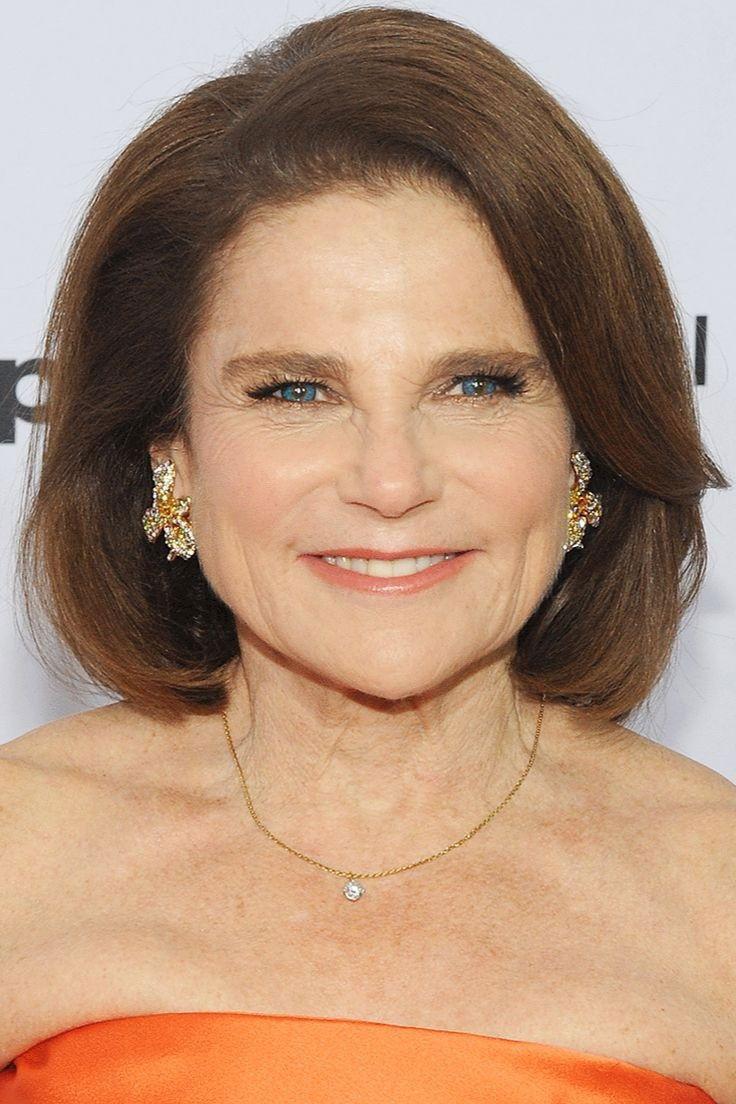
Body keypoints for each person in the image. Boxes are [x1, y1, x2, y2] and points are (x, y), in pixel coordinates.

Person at [1, 5, 733, 1102]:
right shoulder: (18, 853)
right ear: (172, 456)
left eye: (476, 385)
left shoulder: (716, 893)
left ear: (586, 443)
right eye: (296, 391)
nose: (391, 483)